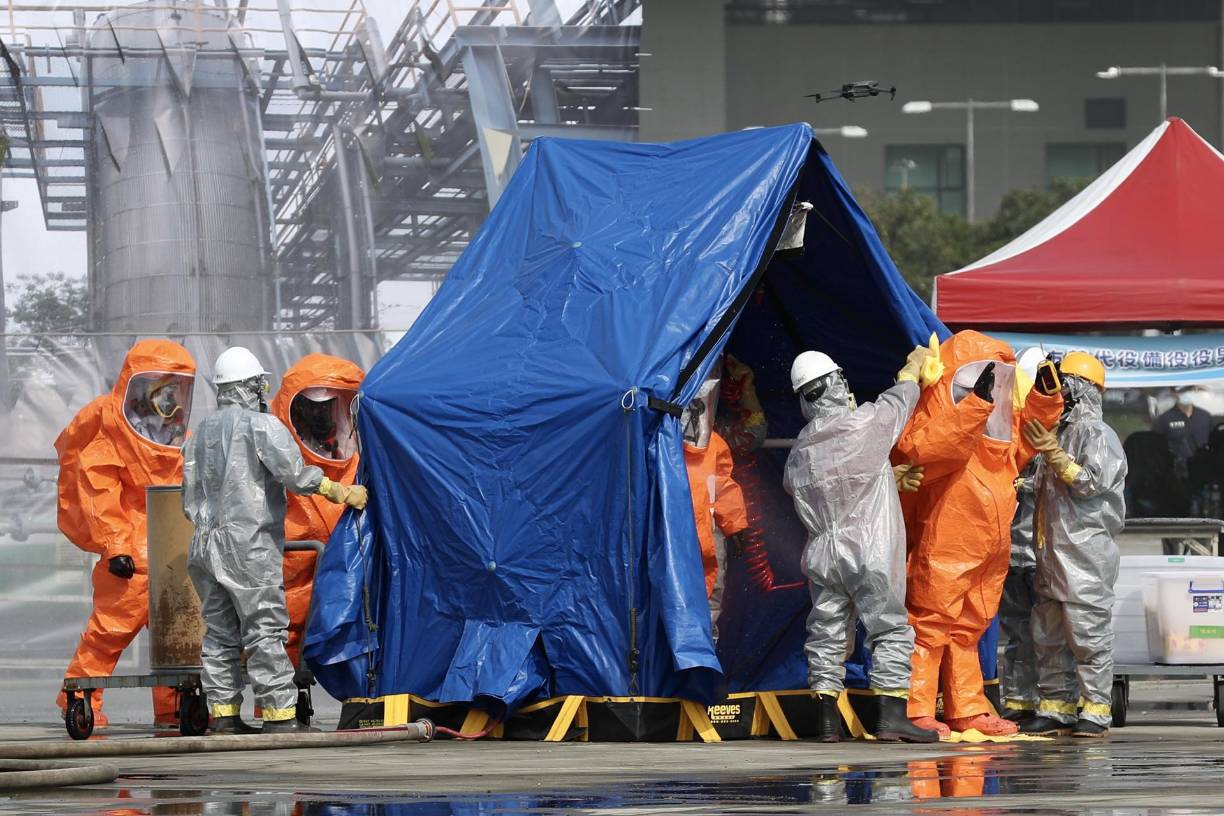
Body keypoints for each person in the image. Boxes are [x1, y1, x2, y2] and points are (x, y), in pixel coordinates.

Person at [181, 347, 369, 734]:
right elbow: (295, 475)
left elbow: (189, 498)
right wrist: (340, 491)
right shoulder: (261, 426)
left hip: (203, 546)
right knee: (264, 628)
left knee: (219, 633)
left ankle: (224, 717)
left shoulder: (200, 434)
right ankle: (280, 717)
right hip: (248, 546)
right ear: (252, 386)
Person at [895, 331, 1063, 737]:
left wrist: (1045, 398)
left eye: (998, 381)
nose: (992, 391)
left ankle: (967, 707)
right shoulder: (937, 412)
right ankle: (917, 708)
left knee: (971, 623)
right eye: (979, 380)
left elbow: (1024, 444)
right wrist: (974, 406)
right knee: (932, 619)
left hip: (990, 537)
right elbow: (925, 449)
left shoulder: (994, 436)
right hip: (949, 531)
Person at [783, 345, 941, 743]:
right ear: (838, 383)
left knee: (827, 632)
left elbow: (830, 485)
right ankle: (890, 716)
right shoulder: (863, 424)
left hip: (823, 555)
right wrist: (911, 371)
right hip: (870, 550)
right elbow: (899, 402)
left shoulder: (800, 451)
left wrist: (884, 478)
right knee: (888, 629)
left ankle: (825, 722)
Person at [55, 339, 196, 730]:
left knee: (176, 638)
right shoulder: (108, 427)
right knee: (110, 630)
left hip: (169, 545)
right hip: (130, 555)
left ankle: (174, 708)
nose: (169, 399)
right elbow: (99, 492)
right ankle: (79, 697)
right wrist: (115, 545)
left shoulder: (171, 435)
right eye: (161, 388)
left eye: (175, 389)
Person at [1020, 352, 1127, 738]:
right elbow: (1044, 490)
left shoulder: (1099, 435)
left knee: (1088, 637)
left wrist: (1052, 453)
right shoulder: (1060, 433)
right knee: (1048, 636)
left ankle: (1095, 710)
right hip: (1053, 556)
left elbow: (1088, 483)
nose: (1057, 392)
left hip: (1085, 557)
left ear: (1081, 390)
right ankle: (1056, 708)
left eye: (1062, 384)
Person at [269, 353, 365, 668]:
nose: (323, 415)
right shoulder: (271, 442)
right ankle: (276, 711)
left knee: (355, 625)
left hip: (341, 554)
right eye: (315, 407)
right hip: (290, 553)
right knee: (282, 630)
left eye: (332, 406)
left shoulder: (354, 456)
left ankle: (361, 702)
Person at [999, 347, 1045, 722]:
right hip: (1015, 554)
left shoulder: (1052, 432)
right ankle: (1020, 702)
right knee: (1019, 631)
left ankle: (1051, 701)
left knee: (1043, 633)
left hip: (1041, 555)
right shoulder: (1012, 428)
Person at [681, 373, 749, 602]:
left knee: (709, 596)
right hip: (673, 532)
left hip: (706, 531)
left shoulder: (714, 443)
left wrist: (735, 524)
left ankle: (708, 637)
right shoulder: (659, 440)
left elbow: (721, 484)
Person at [1152, 386, 1214, 480]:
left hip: (1204, 472)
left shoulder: (1205, 416)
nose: (1186, 394)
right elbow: (1155, 449)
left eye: (1189, 390)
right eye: (1182, 391)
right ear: (1173, 393)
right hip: (1176, 476)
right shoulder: (1164, 420)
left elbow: (1214, 443)